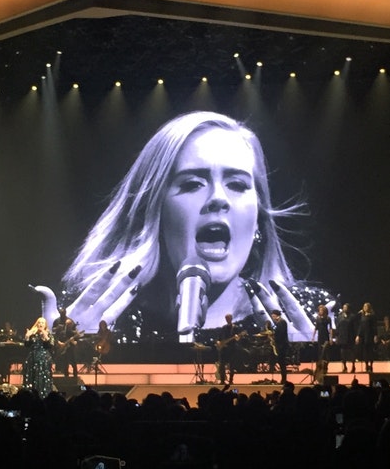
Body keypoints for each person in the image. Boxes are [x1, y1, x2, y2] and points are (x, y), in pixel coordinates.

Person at [29, 111, 335, 344]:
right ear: (154, 211)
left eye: (238, 184)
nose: (218, 198)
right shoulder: (94, 313)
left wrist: (310, 362)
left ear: (258, 220)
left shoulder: (307, 316)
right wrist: (68, 351)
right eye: (192, 183)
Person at [23, 317, 54, 394]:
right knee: (32, 377)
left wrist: (45, 336)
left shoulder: (48, 333)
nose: (40, 324)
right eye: (39, 322)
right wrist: (27, 336)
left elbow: (50, 346)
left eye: (42, 323)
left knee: (43, 378)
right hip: (32, 358)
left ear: (45, 325)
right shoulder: (33, 333)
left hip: (44, 359)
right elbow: (27, 345)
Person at [215, 313, 245, 385]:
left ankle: (231, 380)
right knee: (222, 365)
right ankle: (222, 380)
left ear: (231, 319)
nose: (227, 320)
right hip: (224, 350)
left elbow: (238, 338)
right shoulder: (223, 327)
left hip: (232, 349)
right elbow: (219, 337)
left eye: (228, 318)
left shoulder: (235, 328)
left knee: (232, 365)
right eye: (226, 318)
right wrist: (219, 342)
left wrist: (238, 337)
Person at [333, 302, 358, 373]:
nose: (345, 309)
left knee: (352, 352)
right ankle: (344, 367)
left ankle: (353, 366)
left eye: (346, 307)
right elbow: (337, 327)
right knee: (343, 352)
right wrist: (336, 336)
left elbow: (355, 327)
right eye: (344, 307)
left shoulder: (353, 317)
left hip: (350, 337)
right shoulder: (340, 317)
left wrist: (357, 336)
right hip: (342, 337)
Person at [53, 315, 80, 379]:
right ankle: (66, 375)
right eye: (67, 324)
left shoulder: (74, 333)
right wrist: (60, 343)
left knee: (73, 362)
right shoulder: (62, 332)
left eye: (70, 324)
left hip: (71, 349)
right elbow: (56, 339)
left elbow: (76, 342)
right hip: (64, 349)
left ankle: (75, 376)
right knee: (65, 363)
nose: (68, 326)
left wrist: (73, 341)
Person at [269, 309, 290, 384]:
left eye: (273, 316)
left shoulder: (281, 322)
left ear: (275, 315)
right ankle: (283, 378)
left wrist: (274, 338)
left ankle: (284, 379)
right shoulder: (280, 322)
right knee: (281, 362)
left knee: (282, 362)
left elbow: (281, 334)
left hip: (282, 345)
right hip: (281, 344)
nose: (272, 317)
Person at [355, 302, 377, 372]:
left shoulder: (372, 315)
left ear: (369, 307)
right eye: (364, 306)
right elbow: (360, 327)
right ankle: (366, 365)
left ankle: (371, 365)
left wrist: (375, 335)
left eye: (366, 306)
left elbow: (374, 326)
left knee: (370, 351)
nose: (365, 308)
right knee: (365, 351)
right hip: (363, 336)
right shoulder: (362, 316)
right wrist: (358, 335)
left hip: (370, 335)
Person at [312, 304, 332, 378]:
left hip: (326, 336)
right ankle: (320, 367)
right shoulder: (317, 318)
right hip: (320, 337)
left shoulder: (328, 318)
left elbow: (330, 328)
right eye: (319, 310)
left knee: (326, 352)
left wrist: (331, 338)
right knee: (320, 352)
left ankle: (326, 367)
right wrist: (313, 337)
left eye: (321, 310)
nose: (320, 311)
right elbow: (316, 328)